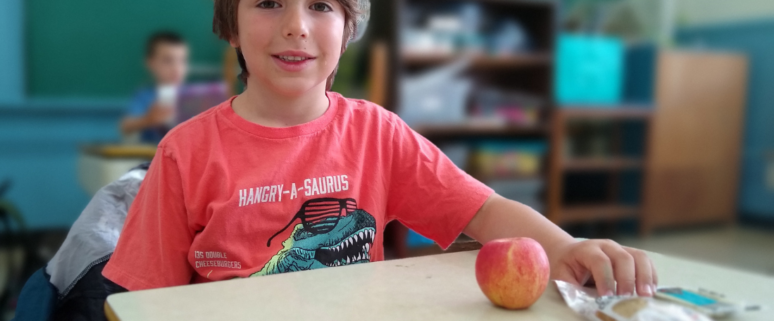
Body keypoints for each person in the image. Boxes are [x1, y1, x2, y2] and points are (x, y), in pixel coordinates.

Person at [104, 0, 656, 306]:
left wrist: (564, 247)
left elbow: (482, 211)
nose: (296, 25)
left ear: (348, 30)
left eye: (321, 5)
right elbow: (142, 301)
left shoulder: (377, 132)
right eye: (269, 2)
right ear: (231, 24)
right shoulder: (185, 151)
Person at [119, 31, 189, 143]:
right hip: (153, 156)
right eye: (168, 61)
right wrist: (149, 119)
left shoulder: (194, 95)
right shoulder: (145, 95)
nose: (176, 68)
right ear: (151, 63)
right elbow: (125, 126)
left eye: (182, 61)